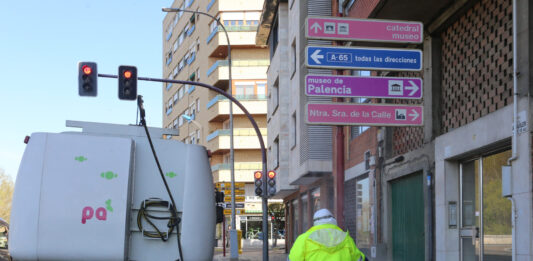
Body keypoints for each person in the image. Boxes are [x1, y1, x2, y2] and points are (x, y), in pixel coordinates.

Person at [288, 209, 367, 261]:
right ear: (333, 220)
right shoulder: (346, 238)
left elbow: (293, 259)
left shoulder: (303, 239)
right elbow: (359, 259)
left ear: (315, 222)